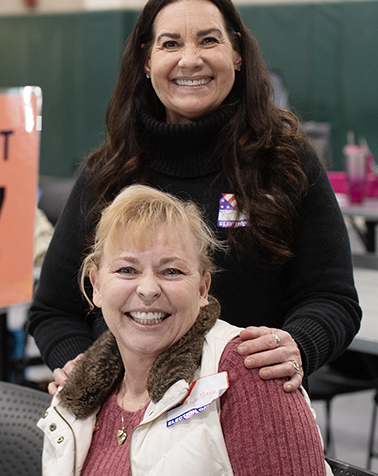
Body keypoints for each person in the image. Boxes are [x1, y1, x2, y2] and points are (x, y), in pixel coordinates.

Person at [28, 0, 360, 395]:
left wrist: (298, 345)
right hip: (130, 420)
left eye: (208, 40)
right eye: (170, 44)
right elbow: (54, 310)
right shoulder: (108, 171)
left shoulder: (286, 161)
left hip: (255, 412)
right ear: (146, 62)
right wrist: (89, 371)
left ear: (236, 53)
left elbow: (333, 298)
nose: (190, 60)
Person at [38, 185, 330, 475]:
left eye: (172, 271)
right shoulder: (78, 395)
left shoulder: (248, 373)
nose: (148, 289)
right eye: (127, 270)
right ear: (97, 286)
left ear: (203, 288)